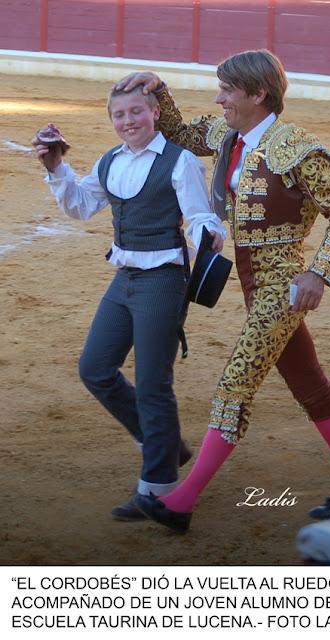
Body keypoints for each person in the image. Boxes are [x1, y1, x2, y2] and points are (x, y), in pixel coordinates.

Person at [117, 49, 330, 533]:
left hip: (283, 288)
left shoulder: (296, 147)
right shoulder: (229, 135)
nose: (219, 99)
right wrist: (158, 89)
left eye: (227, 91)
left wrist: (318, 273)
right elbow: (178, 133)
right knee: (308, 382)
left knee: (237, 384)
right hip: (253, 284)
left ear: (258, 94)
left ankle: (180, 502)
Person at [33, 84, 226, 521]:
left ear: (155, 112)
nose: (128, 121)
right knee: (95, 368)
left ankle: (158, 489)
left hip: (163, 280)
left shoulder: (181, 162)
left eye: (136, 111)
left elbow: (200, 216)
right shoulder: (110, 161)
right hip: (126, 277)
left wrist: (207, 238)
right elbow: (81, 207)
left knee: (155, 382)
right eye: (119, 115)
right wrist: (56, 166)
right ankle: (164, 444)